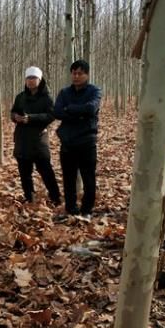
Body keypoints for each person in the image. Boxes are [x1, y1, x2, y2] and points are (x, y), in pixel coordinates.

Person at [54, 59, 101, 218]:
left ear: (87, 75)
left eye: (80, 73)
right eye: (74, 73)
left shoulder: (94, 91)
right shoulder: (64, 92)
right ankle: (71, 208)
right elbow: (58, 112)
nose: (76, 76)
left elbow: (91, 108)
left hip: (87, 142)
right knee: (68, 178)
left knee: (89, 179)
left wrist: (70, 109)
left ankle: (87, 210)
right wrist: (78, 113)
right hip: (67, 142)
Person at [11, 66, 61, 205]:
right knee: (24, 173)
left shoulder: (47, 98)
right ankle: (29, 197)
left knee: (46, 171)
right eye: (28, 78)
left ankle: (56, 198)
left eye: (33, 78)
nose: (30, 81)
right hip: (22, 139)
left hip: (39, 139)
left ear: (39, 79)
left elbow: (51, 115)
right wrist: (16, 117)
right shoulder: (20, 97)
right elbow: (13, 112)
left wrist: (31, 118)